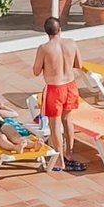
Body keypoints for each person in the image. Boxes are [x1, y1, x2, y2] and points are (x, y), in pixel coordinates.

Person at [30, 15, 83, 170]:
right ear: (60, 29)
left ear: (46, 32)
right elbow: (79, 64)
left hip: (55, 88)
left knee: (54, 126)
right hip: (71, 85)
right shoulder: (72, 43)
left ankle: (59, 161)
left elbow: (36, 71)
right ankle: (69, 154)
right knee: (68, 120)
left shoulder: (44, 48)